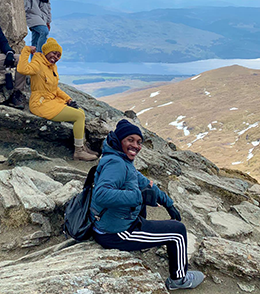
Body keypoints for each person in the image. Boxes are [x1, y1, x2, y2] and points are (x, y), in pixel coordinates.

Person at [90, 120, 205, 290]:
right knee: (178, 232)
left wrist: (168, 203)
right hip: (115, 233)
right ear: (120, 140)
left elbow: (145, 184)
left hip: (116, 221)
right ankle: (179, 280)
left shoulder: (120, 158)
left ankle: (145, 240)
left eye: (138, 142)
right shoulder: (117, 164)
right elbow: (101, 195)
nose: (135, 146)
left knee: (144, 196)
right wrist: (139, 196)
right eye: (130, 140)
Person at [16, 38, 99, 161]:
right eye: (54, 53)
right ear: (47, 51)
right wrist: (26, 50)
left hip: (50, 101)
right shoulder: (38, 62)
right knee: (78, 116)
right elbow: (22, 69)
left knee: (80, 112)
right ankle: (79, 152)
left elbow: (55, 88)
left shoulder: (52, 67)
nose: (56, 57)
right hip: (40, 103)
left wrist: (68, 99)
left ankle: (83, 146)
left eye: (58, 55)